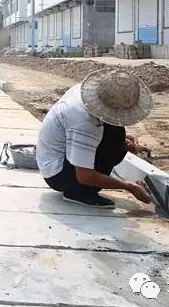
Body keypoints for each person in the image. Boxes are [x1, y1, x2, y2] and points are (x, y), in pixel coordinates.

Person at [36, 68, 154, 208]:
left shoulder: (84, 92)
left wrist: (124, 141)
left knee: (117, 135)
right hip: (57, 175)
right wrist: (128, 186)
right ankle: (79, 192)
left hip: (56, 156)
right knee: (116, 140)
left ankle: (81, 187)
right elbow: (85, 176)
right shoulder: (84, 122)